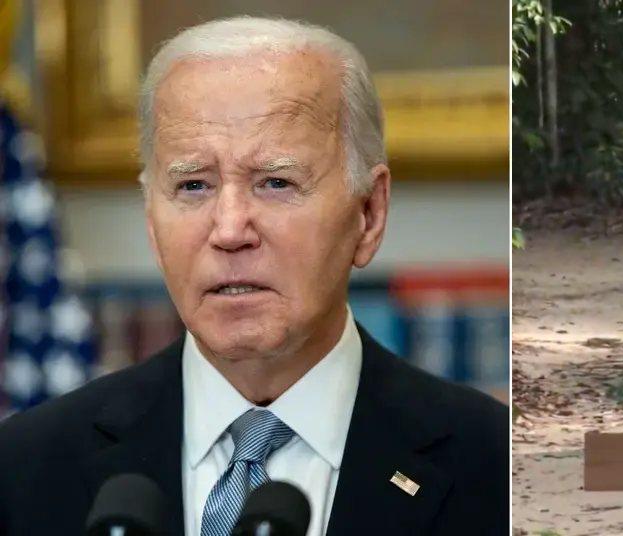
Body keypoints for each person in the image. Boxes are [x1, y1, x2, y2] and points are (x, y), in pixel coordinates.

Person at [0, 16, 508, 535]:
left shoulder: (496, 464)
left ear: (369, 214)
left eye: (275, 182)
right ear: (152, 222)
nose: (229, 230)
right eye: (194, 186)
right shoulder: (25, 468)